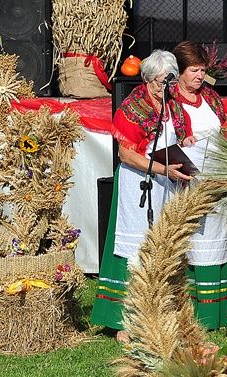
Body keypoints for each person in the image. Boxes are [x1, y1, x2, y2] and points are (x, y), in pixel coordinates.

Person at [91, 50, 192, 342]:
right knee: (135, 248)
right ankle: (125, 320)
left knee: (161, 245)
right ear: (148, 79)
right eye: (162, 82)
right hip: (140, 184)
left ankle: (158, 312)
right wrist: (161, 169)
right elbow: (125, 153)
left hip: (166, 183)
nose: (166, 88)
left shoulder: (172, 106)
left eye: (170, 82)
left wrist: (186, 147)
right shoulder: (132, 107)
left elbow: (178, 136)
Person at [171, 41, 227, 329]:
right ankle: (193, 314)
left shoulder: (209, 96)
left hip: (217, 178)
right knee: (194, 244)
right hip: (187, 183)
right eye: (194, 70)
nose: (199, 76)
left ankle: (218, 313)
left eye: (203, 70)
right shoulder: (169, 100)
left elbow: (226, 127)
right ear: (180, 71)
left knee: (217, 242)